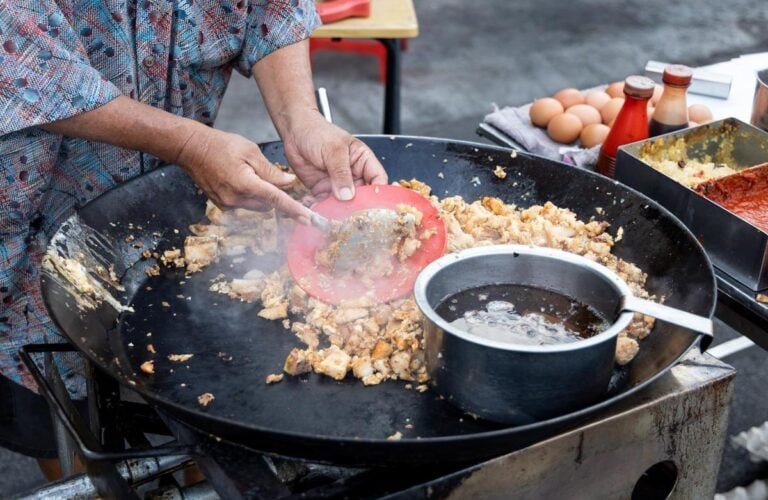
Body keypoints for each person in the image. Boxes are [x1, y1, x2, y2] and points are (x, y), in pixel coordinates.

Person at [0, 0, 386, 477]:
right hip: (29, 210)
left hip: (168, 204)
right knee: (68, 421)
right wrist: (188, 144)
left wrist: (302, 121)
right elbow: (21, 63)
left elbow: (272, 9)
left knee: (196, 404)